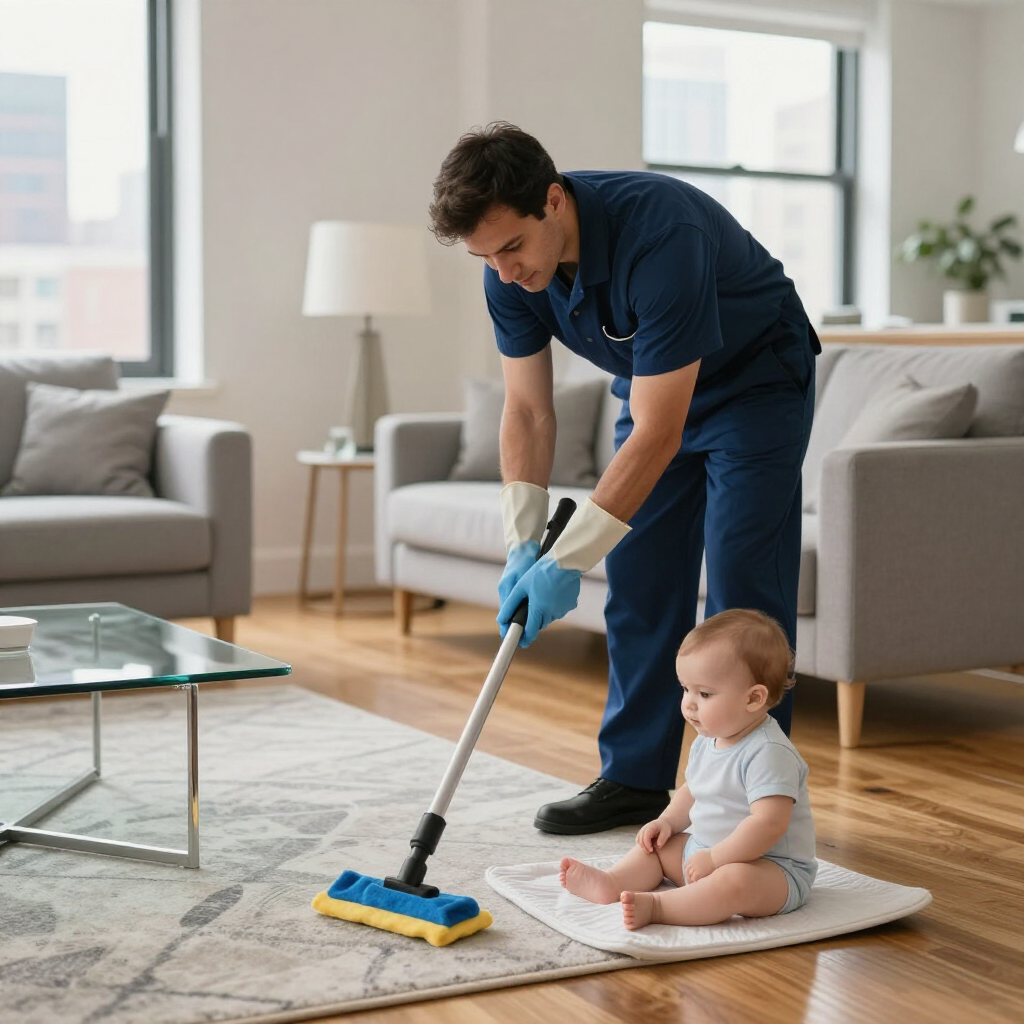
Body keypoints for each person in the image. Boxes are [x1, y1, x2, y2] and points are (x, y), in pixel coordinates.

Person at [428, 122, 818, 836]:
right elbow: (527, 409)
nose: (505, 271)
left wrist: (569, 555)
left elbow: (659, 432)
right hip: (654, 393)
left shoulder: (659, 233)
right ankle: (635, 781)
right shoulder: (508, 272)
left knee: (742, 591)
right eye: (485, 257)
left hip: (755, 383)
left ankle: (757, 797)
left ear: (552, 201)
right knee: (639, 580)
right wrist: (524, 544)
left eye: (511, 247)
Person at [559, 608, 817, 930]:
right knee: (658, 847)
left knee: (733, 881)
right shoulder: (707, 739)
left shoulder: (769, 752)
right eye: (685, 689)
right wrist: (666, 821)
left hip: (771, 870)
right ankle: (613, 882)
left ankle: (659, 908)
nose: (689, 703)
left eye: (704, 693)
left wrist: (716, 859)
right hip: (704, 854)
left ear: (753, 699)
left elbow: (768, 824)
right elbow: (692, 790)